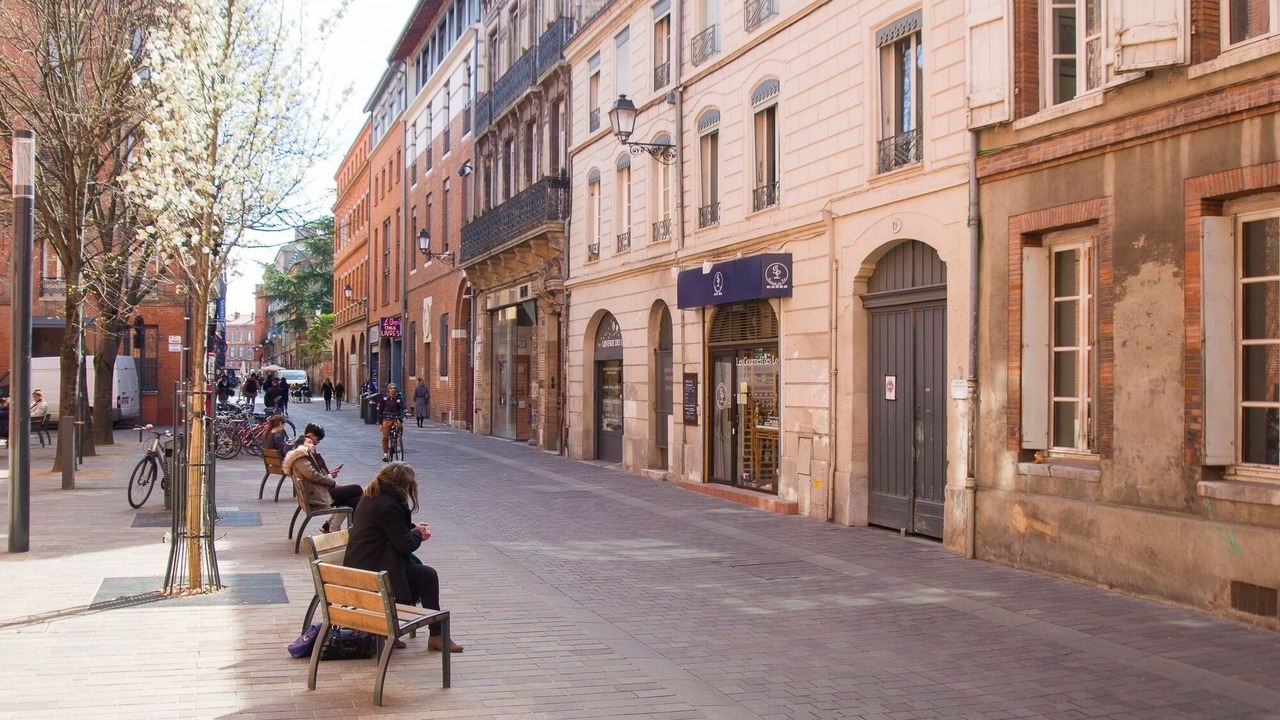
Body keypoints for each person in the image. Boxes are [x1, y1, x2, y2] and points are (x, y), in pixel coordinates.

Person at [343, 461, 463, 653]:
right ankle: (436, 636)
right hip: (376, 574)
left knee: (419, 573)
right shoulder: (388, 505)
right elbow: (404, 545)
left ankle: (391, 632)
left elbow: (390, 531)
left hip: (363, 567)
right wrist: (418, 534)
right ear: (402, 485)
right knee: (428, 576)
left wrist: (412, 530)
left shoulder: (372, 495)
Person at [283, 422, 361, 532]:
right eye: (311, 442)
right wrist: (332, 482)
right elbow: (311, 475)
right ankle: (345, 529)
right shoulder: (300, 455)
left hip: (316, 491)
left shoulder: (302, 453)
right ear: (307, 437)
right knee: (356, 489)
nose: (315, 444)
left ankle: (334, 527)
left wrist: (329, 475)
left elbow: (312, 474)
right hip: (317, 496)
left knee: (353, 501)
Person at [376, 383, 406, 462]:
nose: (393, 390)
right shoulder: (384, 398)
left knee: (400, 427)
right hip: (387, 418)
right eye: (391, 388)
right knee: (385, 436)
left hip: (396, 418)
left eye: (394, 388)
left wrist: (406, 412)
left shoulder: (398, 398)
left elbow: (403, 407)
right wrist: (380, 423)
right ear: (388, 390)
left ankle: (397, 441)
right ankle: (385, 454)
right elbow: (380, 411)